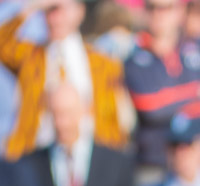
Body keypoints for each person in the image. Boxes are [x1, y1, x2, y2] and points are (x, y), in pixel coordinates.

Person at [0, 0, 130, 158]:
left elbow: (111, 118)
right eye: (49, 12)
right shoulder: (33, 58)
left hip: (88, 156)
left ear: (79, 12)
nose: (55, 19)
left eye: (60, 10)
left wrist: (113, 157)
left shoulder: (102, 63)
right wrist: (34, 6)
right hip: (37, 154)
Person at [124, 0, 200, 171]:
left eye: (166, 8)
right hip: (155, 160)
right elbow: (150, 107)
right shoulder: (134, 57)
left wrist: (188, 108)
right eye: (152, 7)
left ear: (180, 11)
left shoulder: (198, 49)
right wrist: (195, 90)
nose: (159, 14)